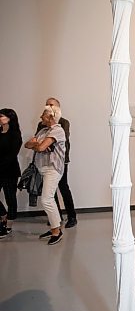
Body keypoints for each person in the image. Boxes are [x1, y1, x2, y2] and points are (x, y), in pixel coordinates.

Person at [25, 105, 66, 245]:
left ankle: (56, 231)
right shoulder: (43, 130)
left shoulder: (58, 131)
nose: (40, 117)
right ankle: (56, 227)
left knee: (47, 200)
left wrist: (37, 144)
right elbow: (27, 145)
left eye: (43, 114)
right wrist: (36, 144)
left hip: (53, 169)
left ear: (51, 117)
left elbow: (40, 147)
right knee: (49, 199)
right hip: (42, 169)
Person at [37, 97, 77, 228]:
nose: (48, 107)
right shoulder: (41, 124)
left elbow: (61, 139)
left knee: (64, 188)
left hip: (61, 161)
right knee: (50, 192)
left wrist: (44, 144)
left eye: (51, 105)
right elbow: (36, 140)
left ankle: (72, 217)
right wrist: (41, 144)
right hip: (46, 162)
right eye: (47, 104)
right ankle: (56, 217)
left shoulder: (64, 122)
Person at [0, 109, 22, 238]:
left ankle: (8, 226)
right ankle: (3, 216)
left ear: (9, 118)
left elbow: (12, 155)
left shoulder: (15, 134)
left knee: (10, 199)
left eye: (1, 116)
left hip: (10, 171)